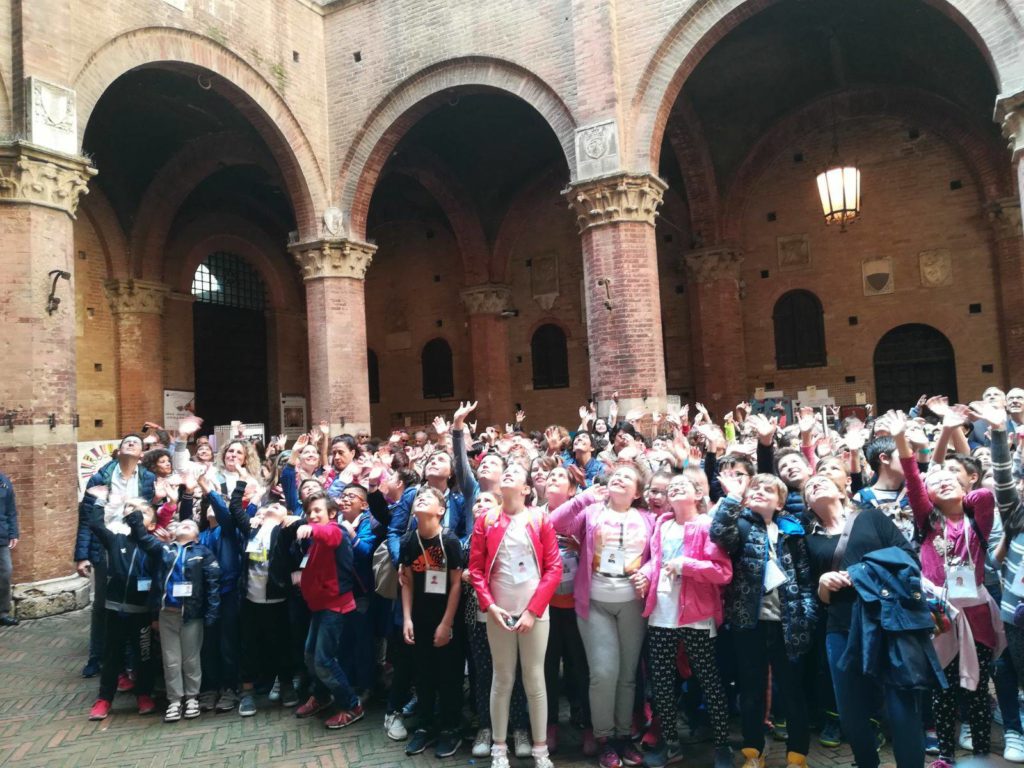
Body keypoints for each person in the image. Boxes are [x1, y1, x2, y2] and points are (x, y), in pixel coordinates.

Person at [891, 408, 1002, 767]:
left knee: (978, 687)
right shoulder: (928, 521)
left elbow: (981, 493)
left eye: (954, 479)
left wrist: (954, 442)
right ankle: (947, 755)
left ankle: (983, 751)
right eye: (936, 484)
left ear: (967, 483)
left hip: (978, 612)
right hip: (939, 614)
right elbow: (913, 481)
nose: (945, 482)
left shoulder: (978, 515)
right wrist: (901, 440)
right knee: (943, 688)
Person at [804, 473, 927, 768]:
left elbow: (909, 559)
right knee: (850, 709)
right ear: (806, 503)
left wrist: (861, 573)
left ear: (843, 489)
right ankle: (865, 762)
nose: (814, 484)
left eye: (822, 480)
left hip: (888, 622)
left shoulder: (872, 518)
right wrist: (823, 583)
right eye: (808, 487)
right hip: (841, 626)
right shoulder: (809, 540)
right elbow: (815, 595)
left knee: (901, 704)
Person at [550, 463, 654, 768]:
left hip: (632, 603)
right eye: (615, 475)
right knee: (603, 673)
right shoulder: (593, 511)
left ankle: (623, 736)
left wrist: (647, 572)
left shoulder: (647, 518)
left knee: (627, 674)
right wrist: (583, 498)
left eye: (627, 478)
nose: (619, 479)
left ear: (637, 492)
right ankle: (604, 737)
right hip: (595, 602)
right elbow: (556, 523)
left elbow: (657, 556)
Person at [711, 472, 817, 768]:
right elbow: (719, 534)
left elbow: (806, 580)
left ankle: (797, 755)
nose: (759, 492)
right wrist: (732, 497)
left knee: (792, 689)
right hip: (749, 623)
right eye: (755, 488)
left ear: (780, 502)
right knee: (751, 690)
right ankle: (752, 752)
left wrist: (807, 616)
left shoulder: (793, 531)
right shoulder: (741, 525)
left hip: (788, 623)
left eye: (768, 490)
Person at [635, 474, 733, 768]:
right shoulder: (662, 524)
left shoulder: (705, 525)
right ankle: (671, 744)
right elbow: (657, 559)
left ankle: (721, 745)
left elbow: (722, 571)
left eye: (683, 485)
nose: (675, 488)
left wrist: (685, 566)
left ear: (698, 493)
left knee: (709, 680)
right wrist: (647, 574)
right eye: (671, 486)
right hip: (661, 614)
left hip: (697, 615)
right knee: (662, 684)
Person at [468, 463, 562, 768]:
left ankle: (540, 750)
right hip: (498, 613)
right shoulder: (486, 520)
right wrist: (490, 606)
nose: (507, 474)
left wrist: (533, 611)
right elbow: (477, 571)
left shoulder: (539, 519)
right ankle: (498, 748)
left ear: (525, 489)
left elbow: (554, 568)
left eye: (514, 474)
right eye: (504, 473)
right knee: (502, 678)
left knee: (535, 680)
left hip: (534, 613)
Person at [74, 433, 156, 678]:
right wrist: (82, 555)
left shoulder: (147, 478)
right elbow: (87, 517)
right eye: (126, 442)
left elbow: (150, 510)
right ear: (119, 450)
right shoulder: (102, 476)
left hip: (135, 544)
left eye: (136, 443)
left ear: (142, 454)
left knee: (134, 601)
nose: (130, 443)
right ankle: (97, 657)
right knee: (102, 604)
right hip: (106, 543)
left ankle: (130, 661)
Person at [130, 512, 220, 722]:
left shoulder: (203, 553)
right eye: (181, 524)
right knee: (170, 659)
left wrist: (211, 614)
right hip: (166, 613)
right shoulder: (163, 550)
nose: (184, 526)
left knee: (191, 658)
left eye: (190, 525)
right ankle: (174, 700)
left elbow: (213, 584)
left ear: (197, 536)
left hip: (191, 614)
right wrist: (135, 518)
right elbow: (143, 539)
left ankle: (191, 698)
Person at [290, 491, 365, 729]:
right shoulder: (315, 540)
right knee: (311, 656)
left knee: (324, 660)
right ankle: (322, 696)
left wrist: (313, 529)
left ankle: (352, 705)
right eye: (309, 512)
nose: (312, 516)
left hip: (336, 607)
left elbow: (331, 534)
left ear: (332, 514)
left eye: (317, 511)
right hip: (320, 606)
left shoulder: (336, 530)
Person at [399, 486, 464, 758]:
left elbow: (457, 583)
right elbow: (407, 582)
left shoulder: (449, 541)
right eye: (418, 497)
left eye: (429, 498)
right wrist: (406, 619)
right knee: (423, 675)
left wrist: (446, 623)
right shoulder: (408, 541)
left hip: (447, 620)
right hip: (420, 619)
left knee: (449, 676)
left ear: (441, 510)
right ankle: (425, 727)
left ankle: (451, 729)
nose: (421, 498)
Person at [84, 496, 160, 720]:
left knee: (143, 656)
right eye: (133, 512)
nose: (137, 515)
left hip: (141, 612)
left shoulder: (154, 548)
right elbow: (96, 525)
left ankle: (144, 694)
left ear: (153, 525)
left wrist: (154, 614)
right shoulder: (116, 540)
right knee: (112, 656)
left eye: (143, 513)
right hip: (115, 609)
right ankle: (104, 698)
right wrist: (97, 501)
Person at [0, 471, 18, 626]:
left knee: (6, 572)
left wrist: (13, 533)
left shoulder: (4, 482)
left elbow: (11, 511)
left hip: (1, 537)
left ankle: (3, 613)